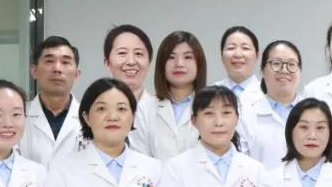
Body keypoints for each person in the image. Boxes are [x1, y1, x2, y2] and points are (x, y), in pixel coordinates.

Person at [130, 31, 207, 160]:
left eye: (188, 57)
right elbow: (139, 160)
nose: (179, 64)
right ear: (162, 65)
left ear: (199, 64)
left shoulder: (211, 107)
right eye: (171, 57)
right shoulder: (144, 109)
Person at [19, 35, 84, 166]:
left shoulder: (92, 118)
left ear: (77, 74)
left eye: (65, 62)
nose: (57, 69)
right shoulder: (17, 116)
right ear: (34, 71)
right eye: (49, 61)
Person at [239, 40, 304, 170]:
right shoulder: (245, 116)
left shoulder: (315, 114)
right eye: (276, 63)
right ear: (262, 71)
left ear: (300, 72)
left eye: (291, 64)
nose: (284, 70)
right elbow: (241, 166)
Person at [104, 24, 156, 109]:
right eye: (122, 53)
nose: (131, 62)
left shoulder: (161, 110)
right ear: (107, 63)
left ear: (149, 62)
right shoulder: (92, 110)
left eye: (138, 53)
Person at [213, 26, 263, 108]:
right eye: (231, 48)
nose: (238, 54)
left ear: (257, 55)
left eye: (245, 48)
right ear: (221, 55)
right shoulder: (209, 94)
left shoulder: (269, 93)